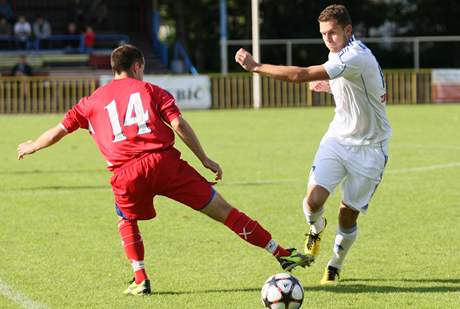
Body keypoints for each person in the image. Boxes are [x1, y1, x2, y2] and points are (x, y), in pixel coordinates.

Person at [17, 44, 313, 296]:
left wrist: (33, 146)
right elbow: (179, 124)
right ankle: (280, 253)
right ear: (137, 66)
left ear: (114, 68)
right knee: (224, 211)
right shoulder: (150, 90)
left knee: (125, 217)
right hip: (164, 163)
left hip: (125, 173)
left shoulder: (91, 101)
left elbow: (59, 131)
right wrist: (204, 159)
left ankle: (140, 278)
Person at [235, 4, 391, 286]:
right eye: (323, 34)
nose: (327, 38)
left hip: (370, 149)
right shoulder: (340, 53)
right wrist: (331, 87)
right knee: (313, 201)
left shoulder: (355, 55)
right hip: (337, 139)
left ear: (348, 30)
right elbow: (361, 86)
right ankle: (316, 229)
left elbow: (301, 75)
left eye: (332, 32)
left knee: (347, 214)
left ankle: (334, 264)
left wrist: (256, 68)